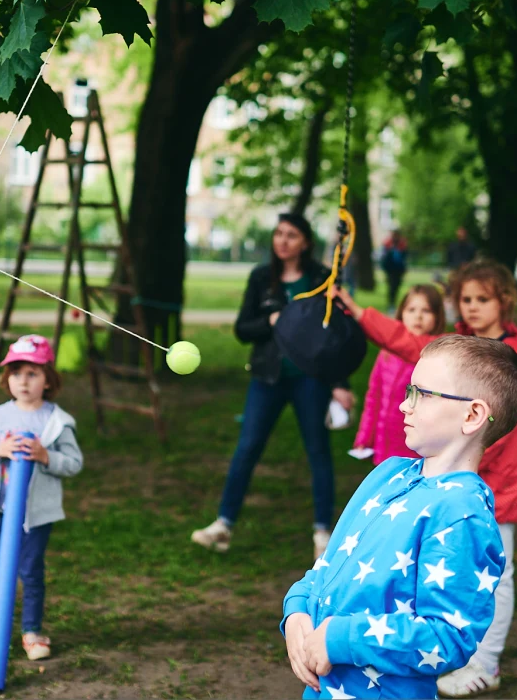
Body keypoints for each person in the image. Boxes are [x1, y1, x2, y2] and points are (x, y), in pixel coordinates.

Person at [332, 258, 517, 698]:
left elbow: (508, 412)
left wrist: (464, 457)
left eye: (482, 299)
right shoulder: (453, 350)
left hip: (497, 479)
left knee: (496, 577)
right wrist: (360, 310)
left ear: (504, 301)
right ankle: (434, 651)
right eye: (466, 299)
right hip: (451, 474)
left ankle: (485, 662)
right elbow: (404, 341)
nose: (473, 307)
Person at [281, 336, 517, 700]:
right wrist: (297, 614)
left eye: (422, 394)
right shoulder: (387, 474)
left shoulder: (462, 514)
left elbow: (448, 637)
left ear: (472, 415)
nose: (403, 405)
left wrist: (340, 638)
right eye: (408, 391)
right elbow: (327, 566)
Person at [191, 212, 354, 561]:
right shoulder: (262, 278)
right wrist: (271, 320)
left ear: (305, 242)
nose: (282, 240)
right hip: (267, 377)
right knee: (247, 447)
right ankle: (223, 524)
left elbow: (336, 335)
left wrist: (339, 382)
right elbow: (242, 329)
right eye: (279, 233)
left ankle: (323, 533)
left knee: (317, 451)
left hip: (310, 378)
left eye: (291, 235)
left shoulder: (322, 279)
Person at [0, 334, 83, 662]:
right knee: (2, 568)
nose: (23, 381)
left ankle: (31, 631)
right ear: (7, 379)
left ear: (48, 380)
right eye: (16, 373)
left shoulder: (57, 422)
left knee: (30, 570)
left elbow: (74, 464)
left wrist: (46, 455)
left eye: (32, 373)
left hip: (37, 515)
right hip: (3, 511)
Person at [353, 285, 446, 466]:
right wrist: (364, 437)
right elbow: (374, 397)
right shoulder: (386, 354)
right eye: (411, 309)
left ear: (438, 316)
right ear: (401, 313)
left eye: (426, 310)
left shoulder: (436, 356)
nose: (418, 316)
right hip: (384, 446)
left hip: (417, 449)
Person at [379, 231, 409, 313]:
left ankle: (393, 302)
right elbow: (384, 258)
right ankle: (391, 303)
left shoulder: (402, 244)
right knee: (391, 286)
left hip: (398, 270)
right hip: (390, 270)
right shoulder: (388, 244)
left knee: (396, 286)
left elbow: (405, 257)